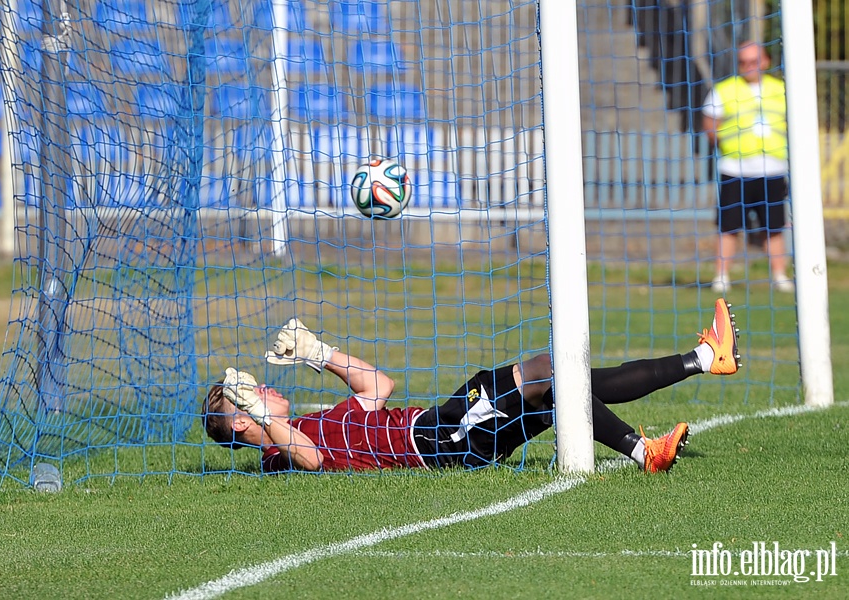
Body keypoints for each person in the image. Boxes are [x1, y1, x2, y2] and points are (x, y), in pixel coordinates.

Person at [203, 299, 741, 474]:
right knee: (547, 372)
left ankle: (701, 360)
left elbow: (378, 387)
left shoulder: (306, 421)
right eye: (253, 393)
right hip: (439, 441)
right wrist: (268, 420)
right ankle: (652, 440)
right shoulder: (281, 451)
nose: (266, 387)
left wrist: (320, 354)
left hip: (440, 425)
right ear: (244, 420)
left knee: (562, 383)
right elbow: (312, 461)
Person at [702, 41, 794, 294]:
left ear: (765, 61)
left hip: (773, 169)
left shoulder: (782, 89)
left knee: (774, 226)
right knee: (728, 226)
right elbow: (710, 122)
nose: (749, 67)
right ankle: (721, 277)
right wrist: (723, 142)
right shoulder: (725, 89)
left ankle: (779, 275)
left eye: (754, 61)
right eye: (743, 62)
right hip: (736, 169)